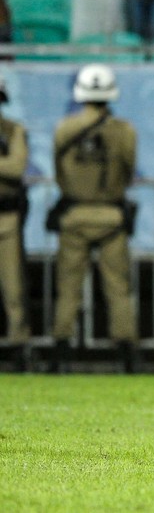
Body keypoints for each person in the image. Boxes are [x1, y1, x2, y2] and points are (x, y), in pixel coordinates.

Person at [49, 64, 139, 374]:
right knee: (118, 288)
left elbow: (58, 170)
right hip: (111, 214)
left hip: (74, 214)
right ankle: (126, 355)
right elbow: (128, 170)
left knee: (68, 287)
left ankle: (60, 352)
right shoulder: (124, 131)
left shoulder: (64, 128)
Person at [0, 75, 29, 371]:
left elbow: (17, 166)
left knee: (13, 289)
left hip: (5, 216)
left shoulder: (13, 130)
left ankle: (19, 347)